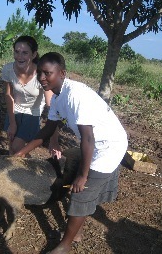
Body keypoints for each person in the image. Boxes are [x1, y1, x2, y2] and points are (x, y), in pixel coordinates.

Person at [14, 52, 128, 254]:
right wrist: (22, 152)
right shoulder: (58, 98)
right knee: (79, 184)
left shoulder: (76, 95)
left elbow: (88, 138)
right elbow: (48, 130)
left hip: (109, 145)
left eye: (47, 73)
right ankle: (76, 233)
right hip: (96, 144)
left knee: (80, 192)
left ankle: (64, 246)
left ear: (62, 73)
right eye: (39, 73)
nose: (41, 78)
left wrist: (83, 176)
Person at [1, 36, 60, 156]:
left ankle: (28, 170)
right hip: (15, 110)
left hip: (32, 113)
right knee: (12, 148)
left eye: (24, 53)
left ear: (33, 55)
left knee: (17, 148)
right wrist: (12, 123)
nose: (19, 57)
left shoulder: (41, 74)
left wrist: (54, 140)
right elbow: (8, 95)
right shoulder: (8, 69)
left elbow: (51, 106)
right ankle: (18, 170)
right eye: (17, 52)